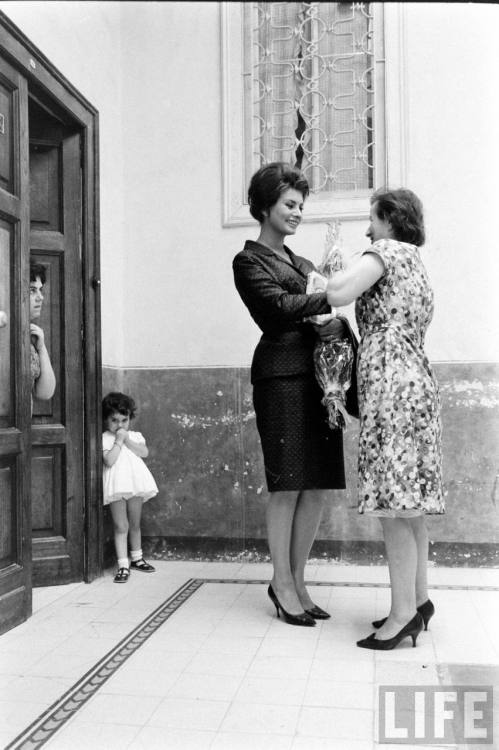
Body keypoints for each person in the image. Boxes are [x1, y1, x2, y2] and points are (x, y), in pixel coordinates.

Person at [233, 162, 357, 627]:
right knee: (287, 485)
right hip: (280, 378)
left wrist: (331, 316)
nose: (297, 212)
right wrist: (332, 298)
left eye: (302, 206)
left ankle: (299, 581)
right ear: (264, 206)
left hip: (319, 381)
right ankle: (281, 583)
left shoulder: (305, 265)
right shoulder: (248, 261)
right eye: (289, 204)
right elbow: (278, 309)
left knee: (318, 486)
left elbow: (312, 309)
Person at [326, 188, 443, 650]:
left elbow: (338, 291)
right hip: (415, 381)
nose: (367, 228)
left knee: (393, 505)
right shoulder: (416, 260)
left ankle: (402, 616)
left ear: (390, 220)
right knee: (410, 504)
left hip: (391, 383)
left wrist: (325, 277)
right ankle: (418, 600)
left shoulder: (386, 251)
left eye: (372, 219)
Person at [102, 391, 159, 583]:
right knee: (121, 525)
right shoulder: (105, 438)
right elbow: (109, 460)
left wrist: (126, 439)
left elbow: (144, 452)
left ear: (130, 419)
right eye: (114, 420)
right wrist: (118, 441)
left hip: (134, 484)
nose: (120, 425)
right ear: (106, 420)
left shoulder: (134, 436)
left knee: (134, 523)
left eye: (124, 420)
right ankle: (123, 565)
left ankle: (137, 558)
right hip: (117, 486)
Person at [30, 262, 56, 406]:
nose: (41, 297)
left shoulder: (32, 336)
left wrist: (41, 348)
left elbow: (45, 393)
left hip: (23, 425)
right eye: (32, 290)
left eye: (40, 290)